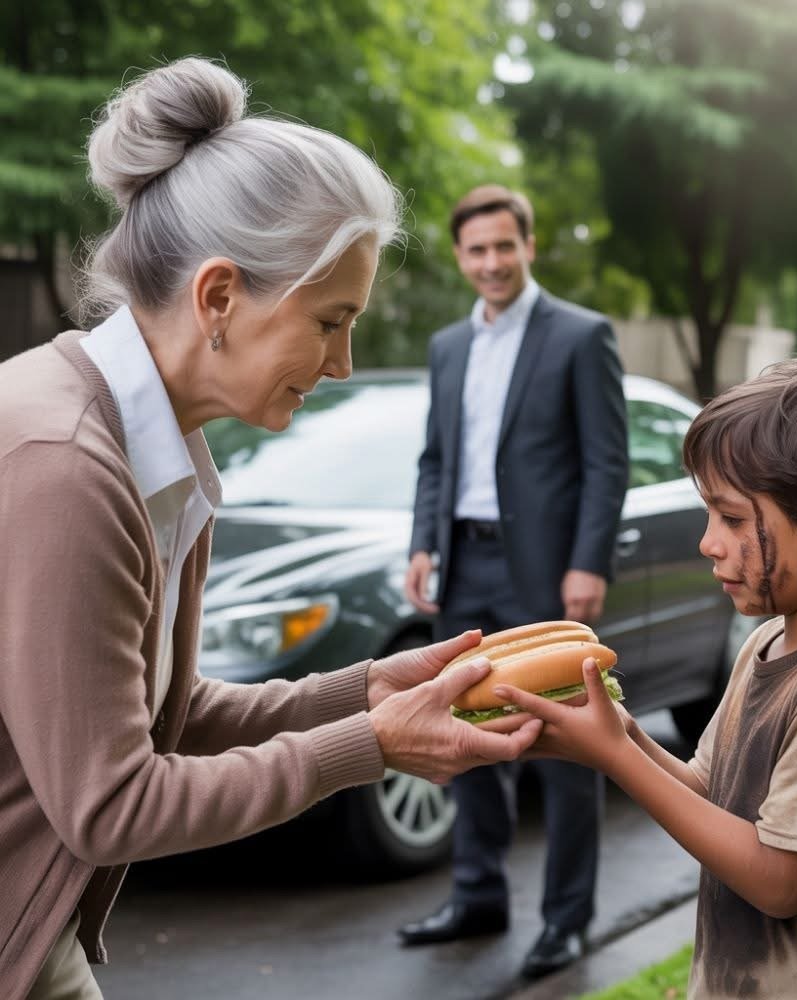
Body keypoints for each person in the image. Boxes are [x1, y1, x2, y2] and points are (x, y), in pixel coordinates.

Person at [0, 58, 543, 1000]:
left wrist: (365, 690)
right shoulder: (68, 464)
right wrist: (373, 744)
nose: (343, 363)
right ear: (218, 297)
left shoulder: (152, 448)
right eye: (331, 322)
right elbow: (112, 804)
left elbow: (167, 716)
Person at [496, 352, 797, 998]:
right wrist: (620, 736)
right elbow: (710, 791)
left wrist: (619, 757)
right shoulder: (768, 642)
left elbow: (780, 881)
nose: (708, 542)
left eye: (731, 519)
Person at [398, 184, 629, 978]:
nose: (492, 262)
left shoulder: (581, 335)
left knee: (566, 746)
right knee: (467, 730)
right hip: (462, 565)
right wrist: (423, 543)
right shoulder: (447, 347)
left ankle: (567, 919)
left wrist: (588, 561)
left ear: (529, 245)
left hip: (547, 571)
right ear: (460, 257)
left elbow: (606, 462)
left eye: (505, 246)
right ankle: (477, 897)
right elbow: (436, 459)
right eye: (477, 250)